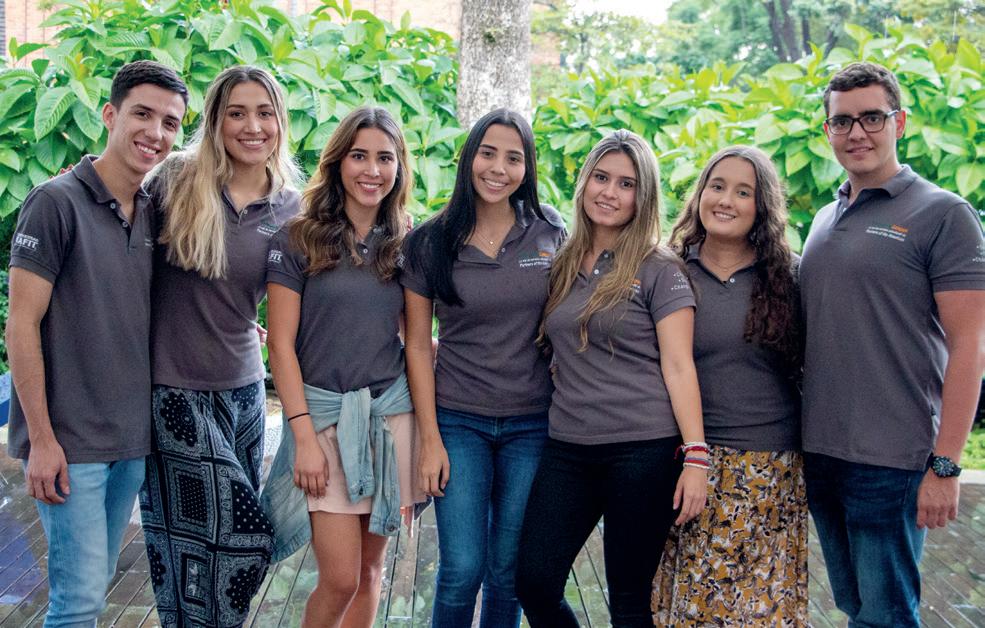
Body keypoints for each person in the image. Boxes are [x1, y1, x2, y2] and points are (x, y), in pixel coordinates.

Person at [800, 62, 985, 627]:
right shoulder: (825, 217)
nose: (857, 132)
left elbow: (971, 346)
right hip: (822, 453)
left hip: (892, 459)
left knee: (886, 615)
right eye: (842, 121)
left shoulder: (943, 213)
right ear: (828, 131)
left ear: (899, 123)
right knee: (855, 606)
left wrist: (946, 465)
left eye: (872, 118)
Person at [5, 60, 187, 627]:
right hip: (69, 443)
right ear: (110, 115)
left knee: (93, 586)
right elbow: (21, 325)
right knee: (78, 602)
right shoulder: (55, 202)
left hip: (130, 440)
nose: (155, 133)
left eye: (170, 123)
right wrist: (41, 440)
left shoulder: (154, 210)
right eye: (142, 114)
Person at [515, 130, 707, 628]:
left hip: (642, 451)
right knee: (534, 583)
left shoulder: (660, 268)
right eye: (601, 178)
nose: (610, 192)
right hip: (568, 447)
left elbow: (679, 366)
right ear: (584, 183)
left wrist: (696, 457)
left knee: (628, 601)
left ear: (643, 197)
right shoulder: (562, 261)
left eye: (626, 184)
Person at [137, 65, 301, 626]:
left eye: (265, 113)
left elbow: (318, 296)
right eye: (237, 113)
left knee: (214, 557)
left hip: (245, 394)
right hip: (172, 393)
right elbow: (110, 227)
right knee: (231, 537)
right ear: (214, 122)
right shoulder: (172, 180)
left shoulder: (292, 208)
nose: (252, 126)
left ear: (280, 122)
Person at [400, 108, 566, 627]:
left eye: (513, 158)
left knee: (507, 571)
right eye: (487, 153)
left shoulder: (549, 230)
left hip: (532, 425)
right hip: (458, 422)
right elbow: (416, 346)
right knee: (461, 569)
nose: (498, 168)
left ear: (527, 167)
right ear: (468, 157)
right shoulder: (429, 242)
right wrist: (429, 440)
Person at [262, 106, 424, 628]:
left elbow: (416, 341)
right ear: (338, 162)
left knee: (371, 571)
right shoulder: (297, 238)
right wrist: (303, 437)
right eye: (359, 156)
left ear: (399, 167)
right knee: (339, 579)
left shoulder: (407, 244)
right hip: (323, 422)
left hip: (388, 422)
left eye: (385, 158)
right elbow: (280, 347)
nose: (372, 170)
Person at [652, 145, 807, 625]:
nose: (726, 200)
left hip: (770, 468)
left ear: (762, 207)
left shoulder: (790, 276)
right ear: (699, 194)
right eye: (717, 186)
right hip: (687, 464)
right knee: (690, 608)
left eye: (744, 192)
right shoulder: (667, 270)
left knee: (760, 611)